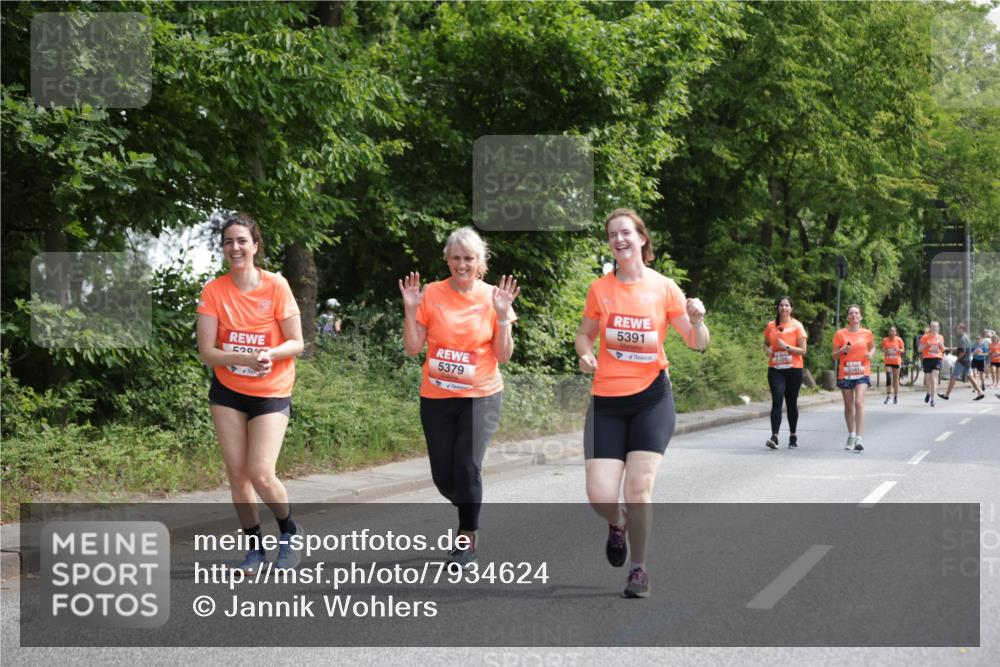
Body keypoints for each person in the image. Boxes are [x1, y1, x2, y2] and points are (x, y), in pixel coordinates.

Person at [575, 208, 709, 599]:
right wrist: (585, 353)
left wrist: (698, 320)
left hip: (652, 398)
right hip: (606, 401)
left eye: (626, 233)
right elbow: (585, 335)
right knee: (600, 494)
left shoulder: (665, 287)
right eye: (612, 235)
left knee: (639, 488)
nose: (619, 240)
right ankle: (617, 523)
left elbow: (695, 342)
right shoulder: (600, 289)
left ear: (642, 238)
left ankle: (639, 569)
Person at [399, 227, 520, 568]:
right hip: (436, 395)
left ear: (480, 261)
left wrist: (501, 317)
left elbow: (504, 355)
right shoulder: (431, 294)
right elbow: (412, 348)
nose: (462, 264)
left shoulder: (494, 296)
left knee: (467, 466)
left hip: (480, 394)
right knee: (443, 475)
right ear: (447, 260)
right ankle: (470, 500)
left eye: (469, 258)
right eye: (456, 258)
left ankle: (466, 538)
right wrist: (410, 309)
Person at [196, 212, 305, 573]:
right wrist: (241, 356)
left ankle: (289, 531)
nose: (235, 247)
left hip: (271, 390)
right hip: (228, 390)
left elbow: (297, 342)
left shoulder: (276, 286)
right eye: (229, 241)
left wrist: (269, 354)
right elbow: (207, 352)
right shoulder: (214, 290)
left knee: (260, 472)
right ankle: (255, 549)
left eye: (242, 240)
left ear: (255, 245)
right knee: (238, 475)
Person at [762, 297, 808, 449]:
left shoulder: (797, 326)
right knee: (777, 400)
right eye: (781, 305)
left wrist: (787, 347)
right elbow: (766, 344)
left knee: (791, 403)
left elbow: (803, 350)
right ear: (777, 308)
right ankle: (774, 436)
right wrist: (768, 350)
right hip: (776, 368)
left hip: (794, 369)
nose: (784, 308)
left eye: (787, 305)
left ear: (791, 308)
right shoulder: (771, 326)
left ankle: (793, 435)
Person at [832, 304, 874, 452]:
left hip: (862, 372)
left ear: (860, 316)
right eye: (851, 313)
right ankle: (851, 435)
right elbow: (834, 355)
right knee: (849, 406)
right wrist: (843, 350)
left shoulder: (867, 333)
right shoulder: (840, 334)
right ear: (848, 317)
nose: (854, 315)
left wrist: (871, 354)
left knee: (859, 402)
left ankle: (859, 439)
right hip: (846, 373)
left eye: (857, 313)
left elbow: (872, 347)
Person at [939, 323, 985, 401]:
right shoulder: (967, 338)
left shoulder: (963, 339)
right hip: (967, 361)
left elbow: (962, 352)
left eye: (958, 329)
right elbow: (960, 349)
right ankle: (980, 392)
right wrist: (948, 348)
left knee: (953, 377)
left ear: (962, 329)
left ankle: (946, 395)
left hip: (962, 361)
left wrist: (957, 359)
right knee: (970, 377)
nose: (957, 330)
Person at [918, 321, 945, 407]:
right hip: (927, 359)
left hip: (937, 358)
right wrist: (926, 345)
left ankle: (932, 399)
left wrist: (941, 345)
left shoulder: (941, 337)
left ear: (938, 328)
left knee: (934, 379)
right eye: (932, 327)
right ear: (930, 328)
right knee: (927, 380)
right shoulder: (925, 337)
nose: (934, 328)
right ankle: (929, 392)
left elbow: (943, 349)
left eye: (935, 327)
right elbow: (919, 349)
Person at [881, 326, 905, 404]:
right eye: (890, 331)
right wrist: (885, 350)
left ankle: (896, 396)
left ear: (895, 332)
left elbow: (903, 350)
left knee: (896, 379)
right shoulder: (885, 340)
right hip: (888, 361)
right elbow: (882, 349)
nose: (891, 333)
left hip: (896, 361)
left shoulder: (899, 340)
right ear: (888, 332)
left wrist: (898, 350)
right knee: (888, 378)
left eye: (893, 331)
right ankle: (888, 396)